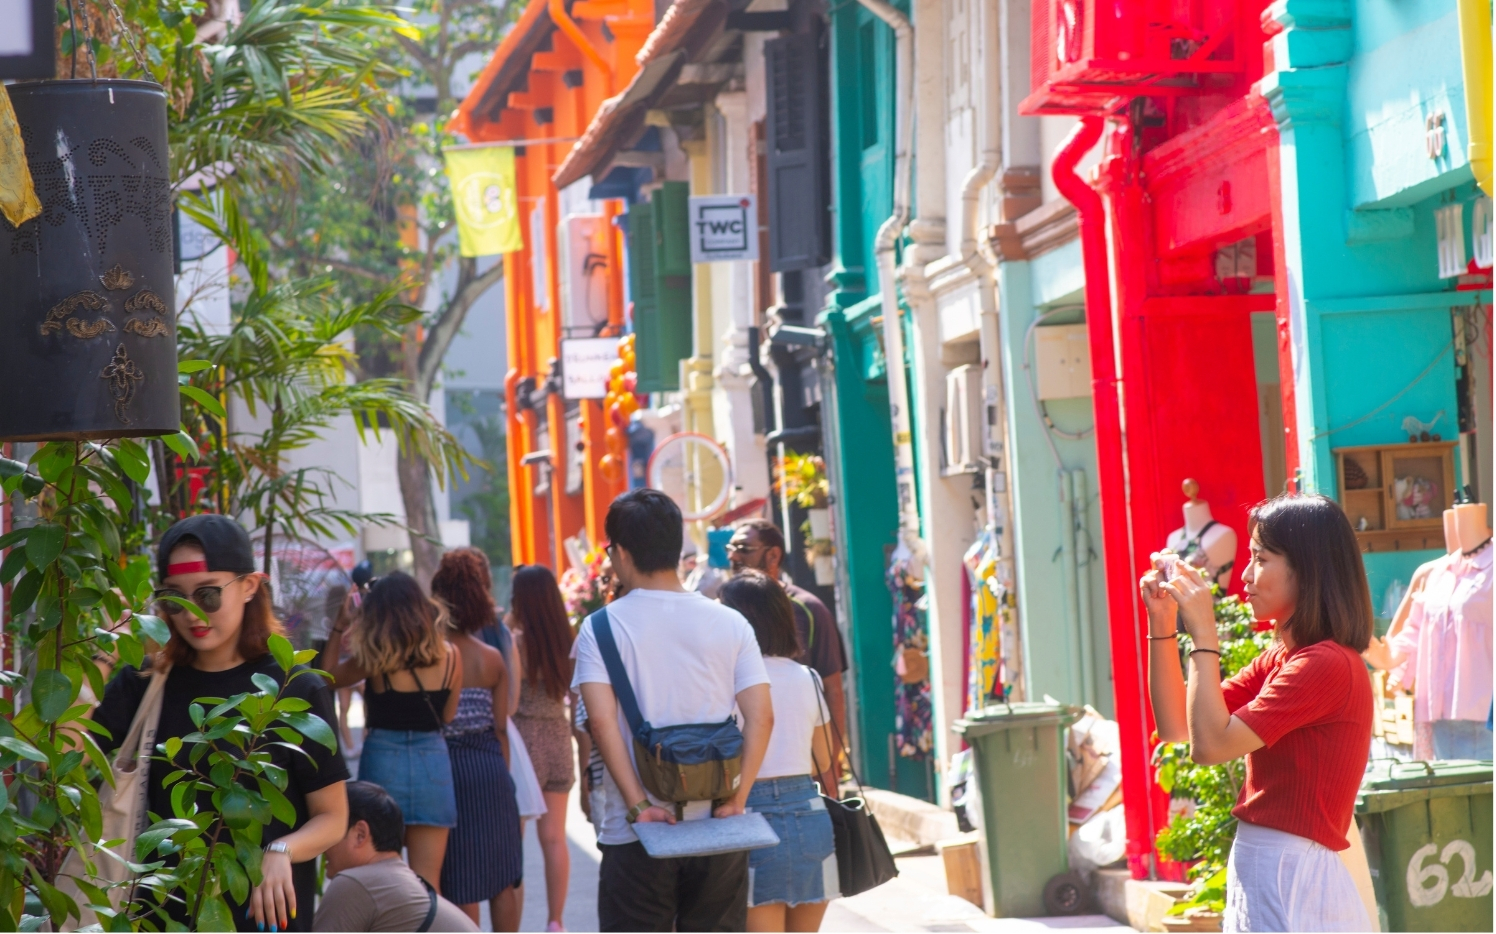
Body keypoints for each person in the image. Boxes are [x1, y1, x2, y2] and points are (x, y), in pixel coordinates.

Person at [92, 515, 349, 933]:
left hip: (261, 916)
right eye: (175, 598)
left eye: (208, 594)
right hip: (161, 917)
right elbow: (60, 756)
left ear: (250, 586)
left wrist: (281, 851)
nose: (192, 613)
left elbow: (333, 817)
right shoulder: (147, 682)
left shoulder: (294, 687)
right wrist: (103, 652)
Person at [1144, 494, 1373, 932]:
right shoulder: (1283, 658)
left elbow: (1210, 747)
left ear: (1308, 569)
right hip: (1269, 864)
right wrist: (1162, 621)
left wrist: (1204, 633)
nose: (1246, 575)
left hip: (1292, 871)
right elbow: (1175, 727)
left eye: (1261, 559)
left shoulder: (1325, 664)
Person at [574, 489, 774, 932]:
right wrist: (737, 800)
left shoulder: (599, 628)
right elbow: (762, 717)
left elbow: (601, 723)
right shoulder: (731, 621)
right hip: (718, 825)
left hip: (637, 832)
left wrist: (639, 806)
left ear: (622, 553)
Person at [323, 572, 462, 892]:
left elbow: (326, 676)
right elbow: (448, 716)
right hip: (433, 762)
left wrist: (340, 625)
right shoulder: (451, 655)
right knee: (428, 884)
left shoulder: (376, 658)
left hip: (383, 760)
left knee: (380, 880)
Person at [718, 571, 839, 933]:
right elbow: (823, 759)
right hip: (810, 815)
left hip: (747, 812)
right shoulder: (808, 677)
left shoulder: (727, 680)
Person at [429, 548, 525, 930]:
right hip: (490, 768)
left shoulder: (432, 657)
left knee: (461, 878)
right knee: (503, 875)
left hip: (447, 770)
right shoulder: (491, 659)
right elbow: (500, 728)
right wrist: (504, 777)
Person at [728, 519, 848, 749]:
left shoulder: (809, 609)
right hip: (740, 757)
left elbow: (832, 689)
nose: (733, 556)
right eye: (731, 548)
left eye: (744, 548)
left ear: (773, 555)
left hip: (799, 756)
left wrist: (833, 760)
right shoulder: (724, 611)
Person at [508, 564, 578, 932]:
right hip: (558, 736)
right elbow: (576, 701)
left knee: (514, 840)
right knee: (554, 838)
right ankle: (556, 921)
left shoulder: (516, 641)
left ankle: (512, 923)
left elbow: (509, 700)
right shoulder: (567, 639)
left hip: (524, 738)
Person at [314, 781, 477, 933]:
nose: (320, 844)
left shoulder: (354, 883)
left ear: (360, 834)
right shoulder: (395, 880)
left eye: (328, 831)